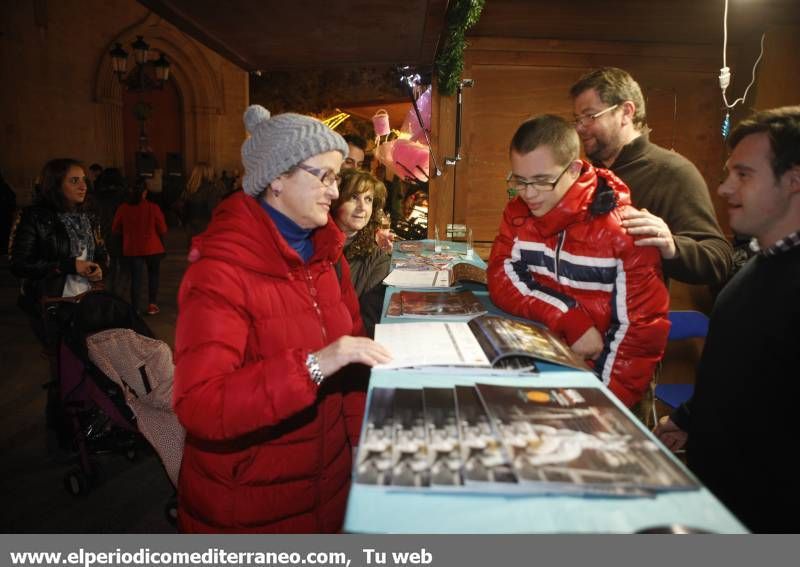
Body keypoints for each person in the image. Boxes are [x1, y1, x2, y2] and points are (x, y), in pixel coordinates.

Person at [173, 105, 392, 533]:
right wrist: (314, 364)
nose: (335, 192)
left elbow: (349, 376)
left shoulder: (329, 259)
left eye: (337, 177)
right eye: (324, 177)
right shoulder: (219, 272)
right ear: (276, 178)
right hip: (252, 504)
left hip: (328, 488)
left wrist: (365, 452)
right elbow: (199, 404)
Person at [655, 106, 800, 533]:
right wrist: (687, 418)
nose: (723, 188)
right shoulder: (759, 265)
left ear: (794, 179)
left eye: (743, 175)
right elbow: (744, 368)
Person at [487, 115, 670, 408]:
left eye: (542, 181)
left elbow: (639, 334)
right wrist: (568, 317)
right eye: (520, 181)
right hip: (550, 367)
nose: (529, 193)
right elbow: (502, 275)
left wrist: (602, 404)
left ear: (573, 168)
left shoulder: (624, 231)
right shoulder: (517, 212)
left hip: (609, 388)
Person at [569, 67, 733, 286]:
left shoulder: (673, 172)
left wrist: (672, 246)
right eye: (577, 119)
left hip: (637, 316)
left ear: (626, 112)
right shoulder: (585, 176)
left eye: (590, 116)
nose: (580, 128)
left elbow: (719, 260)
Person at [8, 158, 105, 447]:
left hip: (86, 300)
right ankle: (64, 427)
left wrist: (101, 267)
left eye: (84, 180)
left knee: (89, 363)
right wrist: (65, 265)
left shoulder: (88, 216)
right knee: (64, 367)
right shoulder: (34, 216)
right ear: (54, 185)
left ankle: (86, 417)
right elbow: (20, 263)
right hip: (51, 304)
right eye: (73, 180)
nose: (82, 186)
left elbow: (101, 253)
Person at [330, 169, 391, 337]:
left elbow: (368, 320)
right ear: (335, 200)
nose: (362, 207)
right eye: (353, 197)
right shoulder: (312, 245)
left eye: (368, 199)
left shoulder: (378, 259)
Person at [112, 178, 167, 316]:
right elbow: (163, 229)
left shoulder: (123, 208)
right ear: (144, 193)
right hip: (153, 247)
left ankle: (135, 307)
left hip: (132, 248)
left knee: (136, 279)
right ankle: (152, 304)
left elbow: (115, 229)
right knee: (153, 275)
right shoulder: (152, 207)